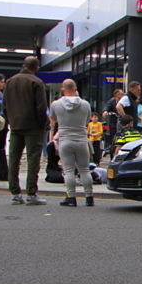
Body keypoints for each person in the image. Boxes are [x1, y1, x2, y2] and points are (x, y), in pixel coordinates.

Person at [4, 56, 49, 205]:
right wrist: (42, 125)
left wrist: (11, 121)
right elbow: (41, 107)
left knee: (14, 159)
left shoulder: (10, 82)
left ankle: (15, 193)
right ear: (36, 68)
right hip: (33, 126)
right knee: (33, 159)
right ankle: (31, 193)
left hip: (15, 125)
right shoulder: (36, 82)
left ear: (23, 65)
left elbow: (4, 106)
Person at [49, 79, 94, 207]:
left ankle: (71, 197)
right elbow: (86, 120)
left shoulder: (55, 105)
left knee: (68, 170)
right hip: (81, 139)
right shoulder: (85, 104)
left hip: (65, 139)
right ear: (75, 89)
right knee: (85, 170)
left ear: (62, 90)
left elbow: (54, 118)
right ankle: (89, 196)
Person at [102, 89, 123, 157]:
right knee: (113, 140)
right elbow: (107, 107)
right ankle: (112, 155)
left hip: (122, 123)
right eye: (121, 94)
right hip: (114, 124)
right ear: (117, 95)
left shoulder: (122, 101)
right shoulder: (112, 102)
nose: (122, 96)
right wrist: (105, 111)